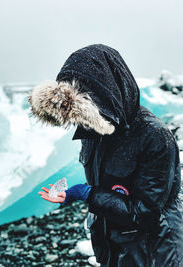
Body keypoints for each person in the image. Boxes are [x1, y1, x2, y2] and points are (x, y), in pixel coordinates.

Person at [28, 44, 183, 267]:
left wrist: (87, 193)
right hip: (112, 245)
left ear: (106, 91)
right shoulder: (92, 132)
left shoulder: (154, 137)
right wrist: (72, 194)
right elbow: (106, 187)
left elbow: (144, 212)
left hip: (154, 251)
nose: (80, 120)